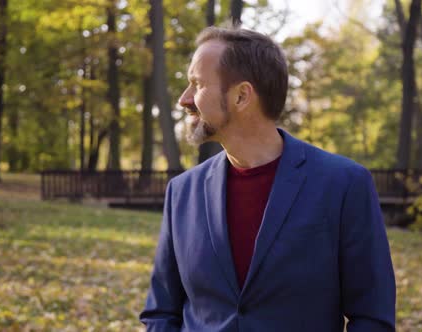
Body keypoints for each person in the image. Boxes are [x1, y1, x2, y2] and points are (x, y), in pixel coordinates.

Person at [140, 26, 396, 332]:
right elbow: (161, 312)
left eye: (196, 84)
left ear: (241, 96)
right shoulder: (182, 192)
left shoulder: (344, 185)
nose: (185, 99)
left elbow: (372, 317)